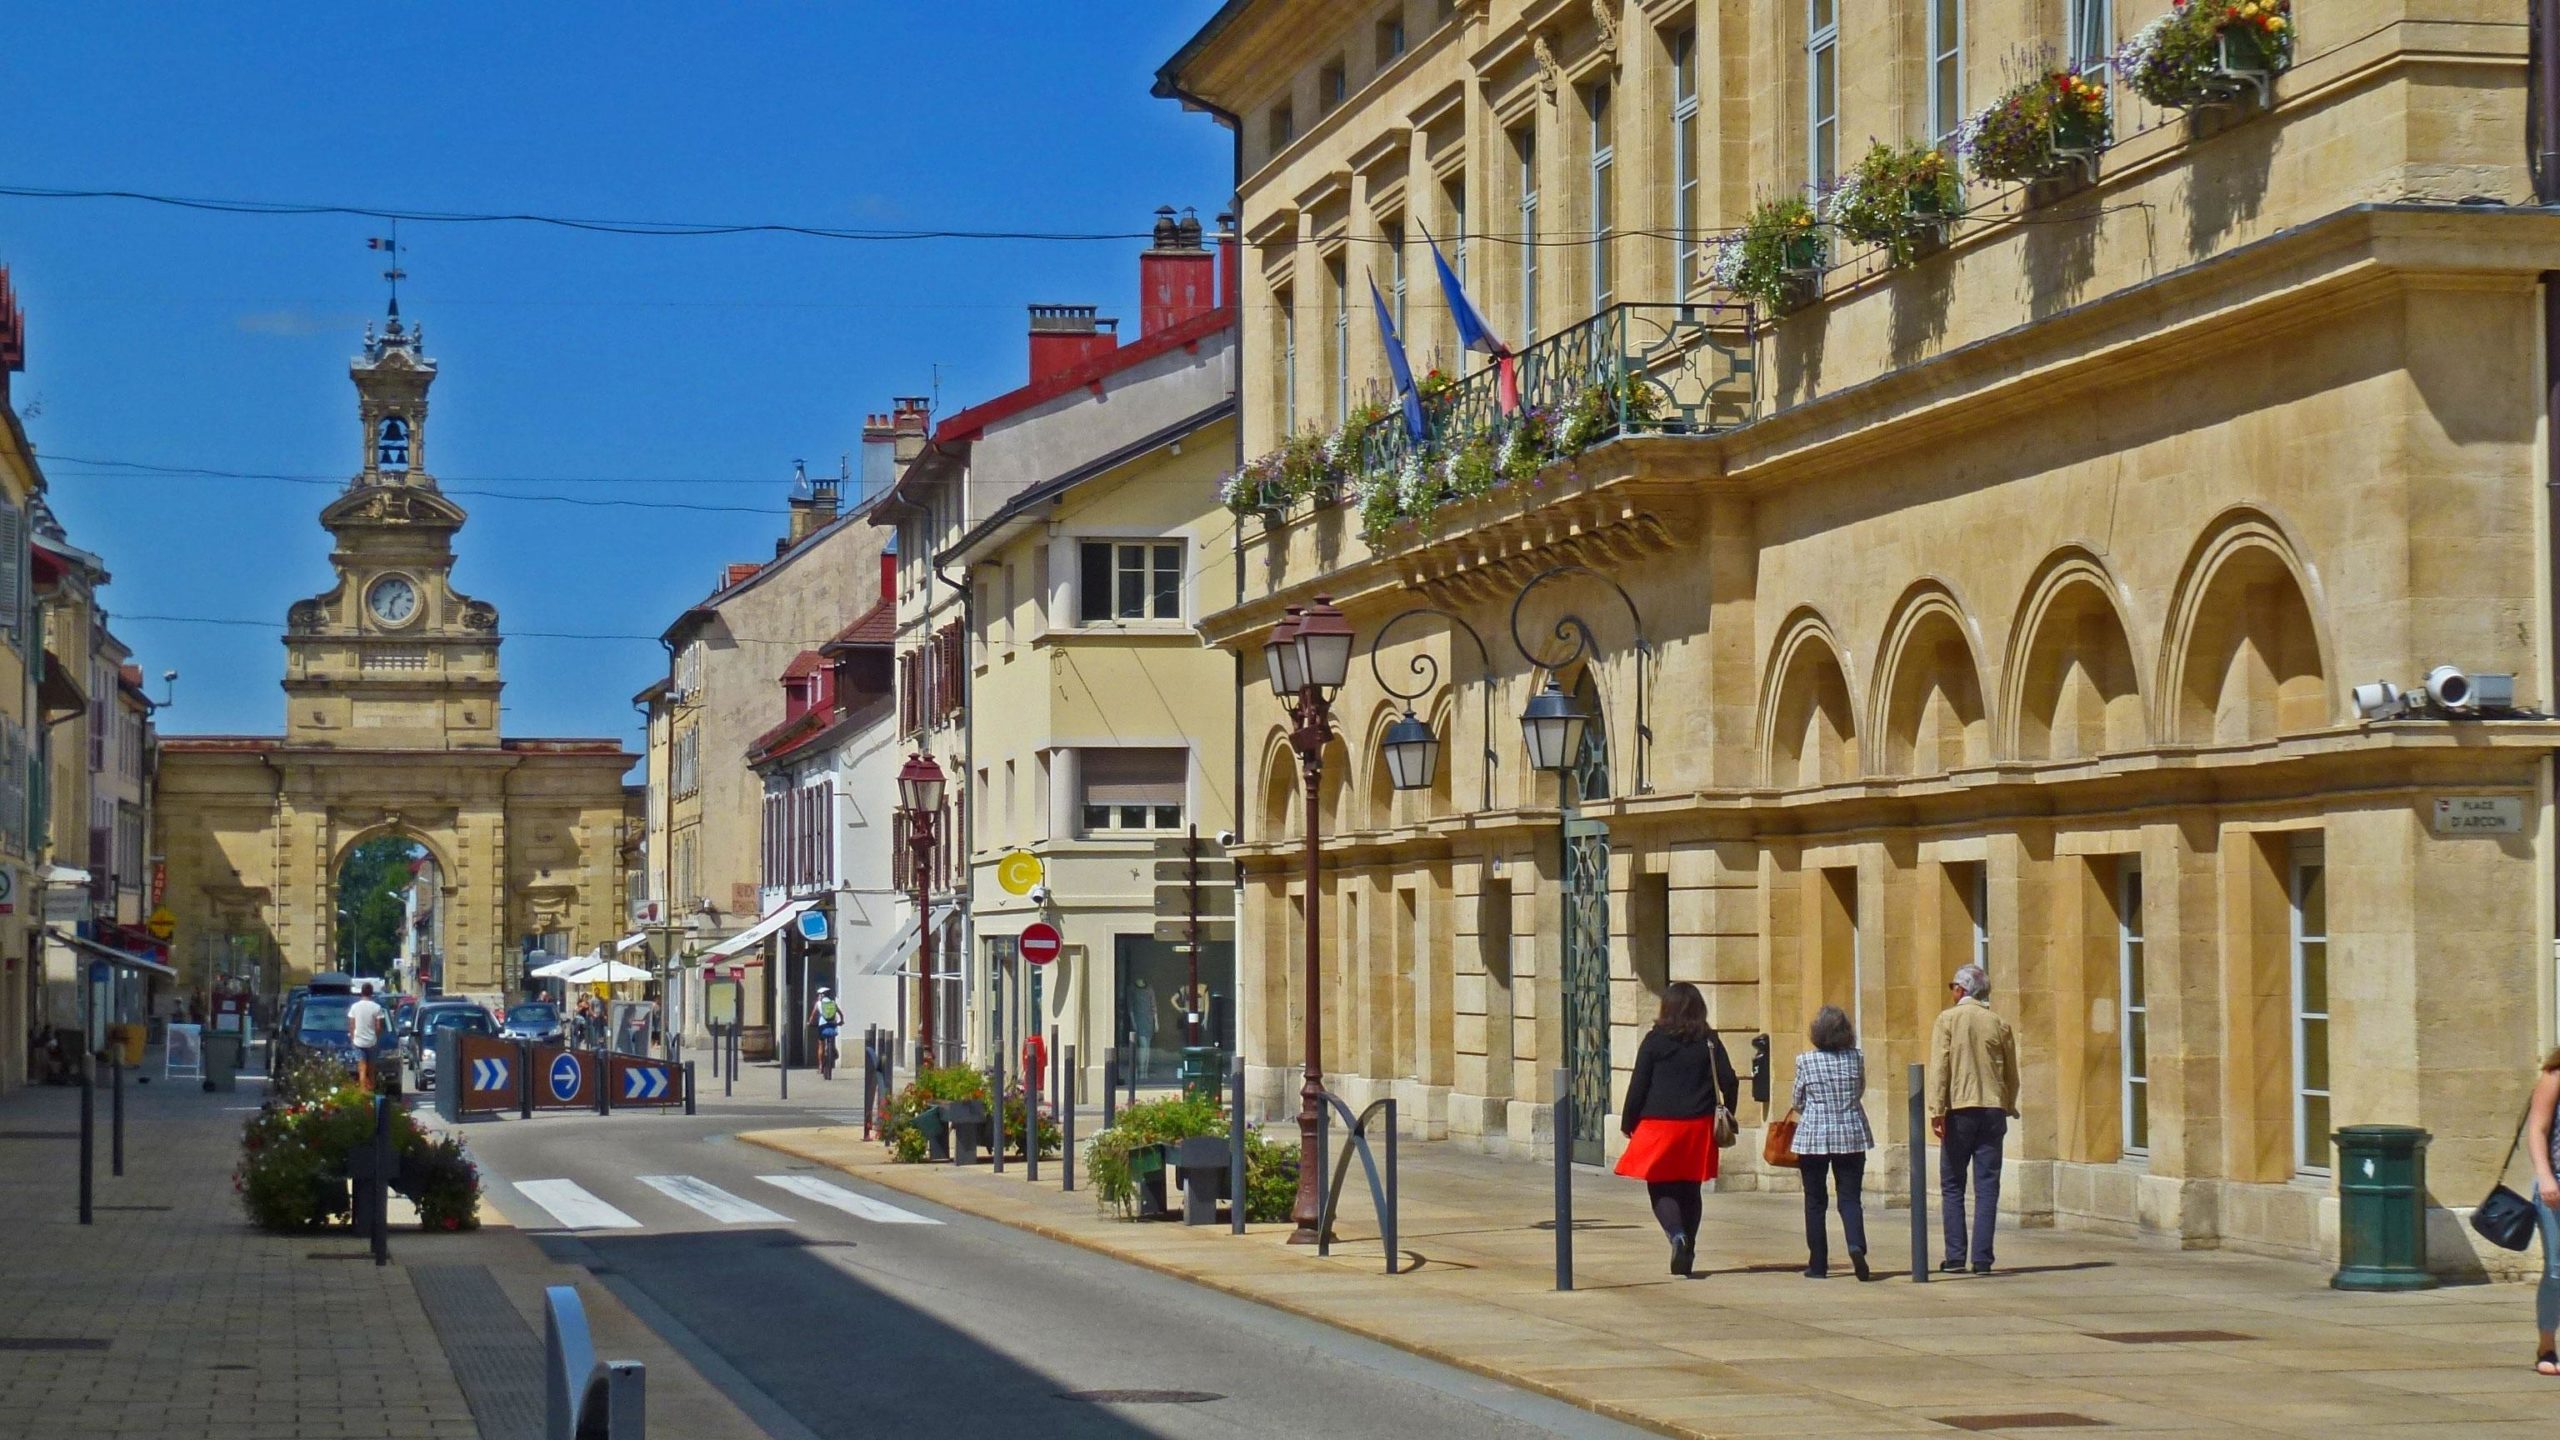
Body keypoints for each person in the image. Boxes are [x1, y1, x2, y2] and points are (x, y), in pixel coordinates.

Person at [1613, 981, 1739, 1278]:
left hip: (1659, 1123)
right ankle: (1689, 1246)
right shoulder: (1709, 1040)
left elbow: (1639, 1085)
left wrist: (1628, 1121)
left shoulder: (1655, 1040)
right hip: (1697, 1125)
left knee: (1660, 1185)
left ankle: (1676, 1235)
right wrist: (1725, 1110)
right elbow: (1729, 1080)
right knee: (1690, 1187)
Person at [1928, 962, 2021, 1274]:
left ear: (1962, 989)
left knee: (1953, 1183)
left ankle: (1955, 1255)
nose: (1952, 992)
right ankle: (1982, 1258)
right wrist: (2009, 1103)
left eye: (1954, 986)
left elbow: (1940, 1067)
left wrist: (1936, 1109)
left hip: (1960, 1108)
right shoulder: (1998, 1022)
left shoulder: (1948, 1020)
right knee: (1987, 1184)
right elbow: (2011, 1072)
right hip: (1993, 1109)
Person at [1792, 1005, 1876, 1280]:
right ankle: (1856, 1245)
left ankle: (1818, 1264)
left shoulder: (1806, 1061)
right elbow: (1860, 1089)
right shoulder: (1856, 1058)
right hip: (1851, 1132)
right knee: (1850, 1197)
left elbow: (1798, 1100)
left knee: (1815, 1200)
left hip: (1814, 1135)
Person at [2520, 1050, 2560, 1375]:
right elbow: (2537, 1130)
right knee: (2557, 1270)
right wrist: (2545, 1176)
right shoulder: (2554, 1074)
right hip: (2557, 1186)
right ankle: (2547, 1346)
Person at [347, 983, 387, 1092]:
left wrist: (352, 1037)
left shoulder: (355, 1007)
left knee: (362, 1068)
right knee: (371, 1069)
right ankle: (372, 1090)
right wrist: (376, 1037)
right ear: (371, 993)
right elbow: (379, 1027)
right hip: (371, 1041)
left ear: (361, 992)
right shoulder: (376, 1007)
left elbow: (351, 1025)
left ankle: (363, 1091)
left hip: (358, 1041)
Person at [810, 987, 845, 1079]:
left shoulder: (818, 1004)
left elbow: (813, 1015)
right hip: (832, 1025)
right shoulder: (833, 1003)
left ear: (821, 995)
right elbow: (841, 1014)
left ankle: (821, 1066)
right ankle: (832, 1048)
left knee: (821, 1044)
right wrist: (841, 1021)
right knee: (831, 1038)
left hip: (822, 1026)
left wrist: (810, 1023)